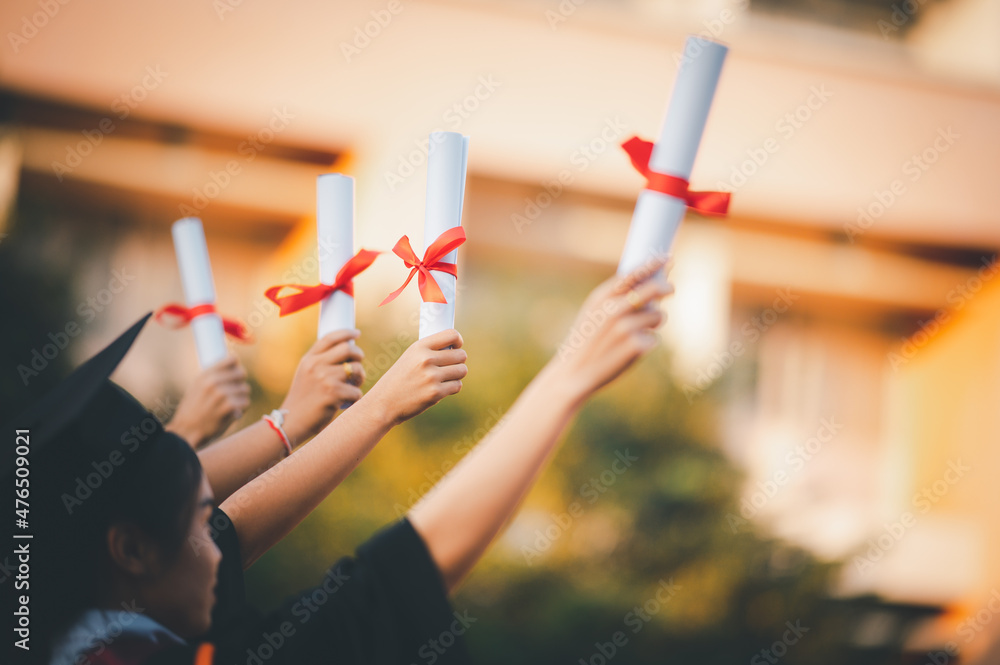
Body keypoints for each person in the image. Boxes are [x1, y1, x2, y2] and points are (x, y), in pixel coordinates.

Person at [12, 259, 669, 665]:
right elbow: (389, 584)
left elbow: (228, 527)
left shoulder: (69, 634)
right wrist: (568, 376)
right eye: (198, 526)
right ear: (128, 548)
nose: (219, 548)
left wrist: (325, 417)